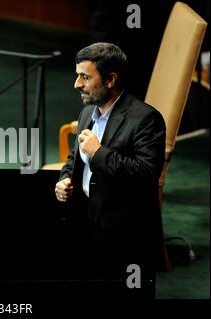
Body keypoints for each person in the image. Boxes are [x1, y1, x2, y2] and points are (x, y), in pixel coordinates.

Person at [54, 42, 166, 295]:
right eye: (77, 76)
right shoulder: (87, 113)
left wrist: (98, 152)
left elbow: (147, 174)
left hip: (125, 237)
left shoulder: (146, 119)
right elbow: (74, 158)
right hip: (87, 224)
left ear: (110, 79)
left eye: (85, 77)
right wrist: (64, 179)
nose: (77, 84)